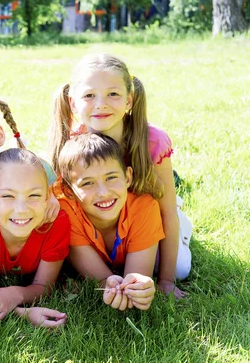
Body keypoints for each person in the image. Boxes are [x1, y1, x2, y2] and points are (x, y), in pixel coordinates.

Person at [48, 53, 192, 299]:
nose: (101, 104)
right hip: (99, 221)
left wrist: (166, 281)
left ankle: (185, 230)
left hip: (150, 216)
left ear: (129, 99)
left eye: (113, 94)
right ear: (73, 104)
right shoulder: (72, 144)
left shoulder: (152, 141)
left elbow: (165, 210)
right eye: (90, 95)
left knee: (179, 269)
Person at [0, 148, 70, 329]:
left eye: (34, 195)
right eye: (7, 196)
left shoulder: (56, 222)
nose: (21, 209)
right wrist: (23, 312)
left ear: (47, 197)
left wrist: (14, 294)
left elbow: (44, 286)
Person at [55, 133, 164, 311]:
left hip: (154, 225)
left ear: (128, 177)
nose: (103, 192)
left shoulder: (144, 208)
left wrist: (138, 288)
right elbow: (103, 280)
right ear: (69, 191)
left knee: (181, 267)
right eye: (88, 183)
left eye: (111, 177)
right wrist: (114, 287)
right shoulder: (65, 211)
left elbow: (136, 279)